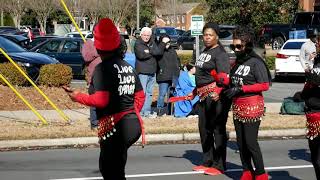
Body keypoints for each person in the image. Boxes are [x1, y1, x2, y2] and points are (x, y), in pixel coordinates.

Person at [65, 18, 145, 180]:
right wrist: (129, 110)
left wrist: (77, 97)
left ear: (98, 45)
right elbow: (140, 96)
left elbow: (101, 100)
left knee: (108, 170)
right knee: (117, 169)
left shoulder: (102, 69)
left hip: (116, 127)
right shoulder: (128, 67)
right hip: (132, 124)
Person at [224, 26, 271, 180]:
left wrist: (241, 89)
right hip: (237, 106)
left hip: (252, 106)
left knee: (250, 142)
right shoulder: (237, 62)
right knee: (240, 142)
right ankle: (247, 170)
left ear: (248, 45)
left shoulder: (256, 62)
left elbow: (264, 85)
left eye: (239, 46)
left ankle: (260, 173)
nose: (236, 49)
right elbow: (232, 81)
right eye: (233, 46)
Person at [190, 22, 231, 176]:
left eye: (210, 35)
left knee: (217, 130)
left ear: (217, 37)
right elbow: (202, 75)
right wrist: (195, 91)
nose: (206, 38)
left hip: (215, 97)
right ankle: (207, 161)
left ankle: (219, 165)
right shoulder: (205, 51)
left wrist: (218, 91)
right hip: (202, 96)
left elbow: (225, 78)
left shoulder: (220, 54)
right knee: (204, 129)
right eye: (205, 35)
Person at [134, 27, 166, 118]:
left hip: (152, 72)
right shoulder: (138, 43)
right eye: (144, 35)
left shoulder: (152, 42)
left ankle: (146, 111)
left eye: (148, 35)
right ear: (141, 35)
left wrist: (149, 51)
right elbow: (141, 55)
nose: (146, 37)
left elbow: (158, 52)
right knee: (142, 93)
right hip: (142, 73)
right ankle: (139, 112)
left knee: (149, 93)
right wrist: (152, 52)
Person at [301, 45, 320, 180]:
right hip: (312, 116)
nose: (317, 45)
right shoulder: (317, 61)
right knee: (315, 157)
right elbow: (309, 85)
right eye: (318, 42)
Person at [156, 34, 180, 116]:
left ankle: (170, 111)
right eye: (165, 41)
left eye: (168, 41)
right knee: (162, 94)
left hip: (173, 76)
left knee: (172, 94)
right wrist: (162, 45)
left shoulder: (172, 50)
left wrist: (178, 69)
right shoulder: (159, 50)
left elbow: (177, 61)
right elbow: (157, 54)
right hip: (163, 76)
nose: (167, 43)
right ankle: (159, 111)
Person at [81, 39, 102, 129]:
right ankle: (94, 123)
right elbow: (86, 57)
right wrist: (97, 51)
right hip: (94, 77)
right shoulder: (89, 43)